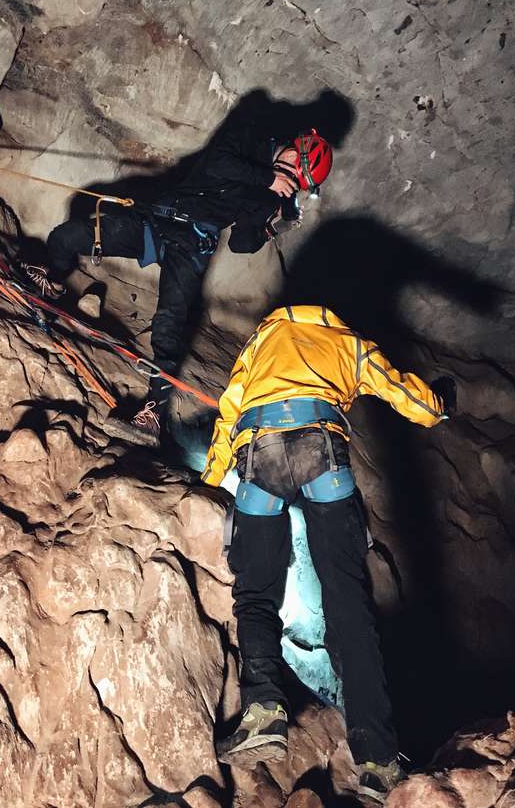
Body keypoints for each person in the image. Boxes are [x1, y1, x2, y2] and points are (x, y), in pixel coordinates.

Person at [201, 304, 456, 804]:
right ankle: (378, 759)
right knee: (347, 605)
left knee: (255, 593)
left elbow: (229, 412)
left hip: (261, 454)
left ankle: (264, 713)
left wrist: (209, 481)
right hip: (324, 456)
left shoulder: (258, 344)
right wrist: (440, 404)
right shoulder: (347, 342)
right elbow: (411, 398)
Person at [20, 124, 333, 441]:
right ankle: (53, 281)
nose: (291, 175)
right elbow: (216, 163)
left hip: (192, 246)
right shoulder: (247, 139)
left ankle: (153, 414)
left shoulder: (268, 195)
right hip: (156, 220)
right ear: (296, 147)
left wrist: (271, 226)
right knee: (68, 237)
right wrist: (268, 179)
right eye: (295, 166)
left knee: (170, 321)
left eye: (297, 177)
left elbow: (241, 242)